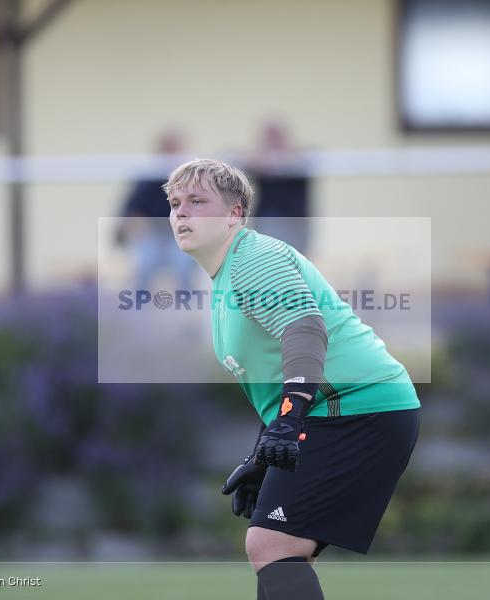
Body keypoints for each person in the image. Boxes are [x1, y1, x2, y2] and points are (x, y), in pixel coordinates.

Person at [164, 159, 419, 599]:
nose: (181, 212)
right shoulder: (228, 273)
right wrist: (265, 451)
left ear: (235, 214)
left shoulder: (252, 259)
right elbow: (277, 371)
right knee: (278, 552)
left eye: (197, 201)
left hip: (358, 408)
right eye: (174, 203)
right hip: (338, 411)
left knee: (271, 546)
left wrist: (287, 423)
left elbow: (305, 330)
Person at [116, 130, 195, 292]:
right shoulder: (148, 177)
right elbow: (132, 210)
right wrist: (132, 228)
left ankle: (188, 303)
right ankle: (139, 303)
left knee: (183, 264)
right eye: (167, 149)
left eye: (175, 149)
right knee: (144, 264)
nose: (171, 155)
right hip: (153, 234)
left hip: (182, 233)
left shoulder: (194, 179)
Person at [246, 120, 312, 254]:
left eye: (276, 137)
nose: (273, 142)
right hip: (269, 218)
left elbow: (306, 159)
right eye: (270, 138)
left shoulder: (301, 158)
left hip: (296, 220)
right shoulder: (255, 161)